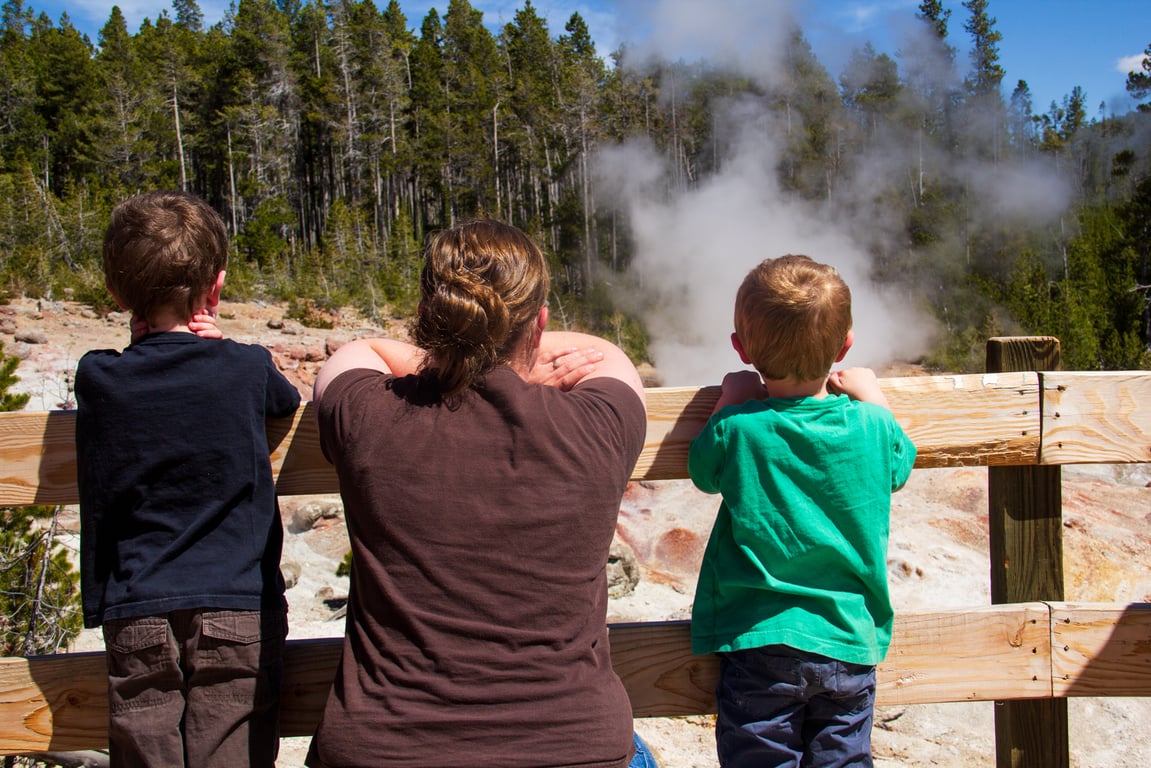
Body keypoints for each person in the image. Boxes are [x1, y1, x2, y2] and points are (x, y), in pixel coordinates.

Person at [306, 218, 657, 768]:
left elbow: (357, 351)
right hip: (573, 748)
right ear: (538, 326)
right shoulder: (599, 424)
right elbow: (607, 355)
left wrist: (453, 363)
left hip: (383, 750)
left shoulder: (367, 415)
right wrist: (509, 365)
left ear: (427, 319)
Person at [75, 190, 301, 768]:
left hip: (137, 606)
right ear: (216, 288)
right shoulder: (246, 366)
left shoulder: (100, 378)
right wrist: (223, 344)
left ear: (117, 295)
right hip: (237, 602)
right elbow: (286, 397)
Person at [688, 254, 917, 768]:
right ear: (845, 345)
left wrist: (730, 400)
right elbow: (900, 466)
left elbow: (703, 472)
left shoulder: (738, 429)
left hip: (760, 641)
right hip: (848, 642)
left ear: (741, 349)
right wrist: (874, 397)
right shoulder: (871, 426)